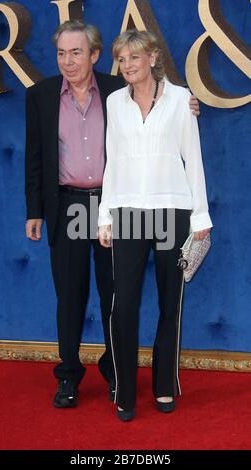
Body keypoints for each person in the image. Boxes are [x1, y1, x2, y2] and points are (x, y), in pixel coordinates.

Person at [25, 20, 200, 409]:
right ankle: (68, 376)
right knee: (69, 296)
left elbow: (158, 101)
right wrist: (34, 210)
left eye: (75, 52)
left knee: (115, 295)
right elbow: (35, 157)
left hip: (113, 203)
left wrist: (186, 103)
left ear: (94, 55)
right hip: (69, 204)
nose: (67, 61)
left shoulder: (117, 88)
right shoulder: (40, 95)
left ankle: (114, 375)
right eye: (61, 53)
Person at [98, 29, 212, 421]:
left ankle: (165, 385)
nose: (127, 66)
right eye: (121, 59)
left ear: (152, 57)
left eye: (133, 57)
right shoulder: (114, 103)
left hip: (173, 211)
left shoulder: (181, 100)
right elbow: (111, 160)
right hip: (127, 212)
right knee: (123, 306)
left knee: (170, 304)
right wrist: (104, 216)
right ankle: (125, 391)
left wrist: (201, 216)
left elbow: (192, 159)